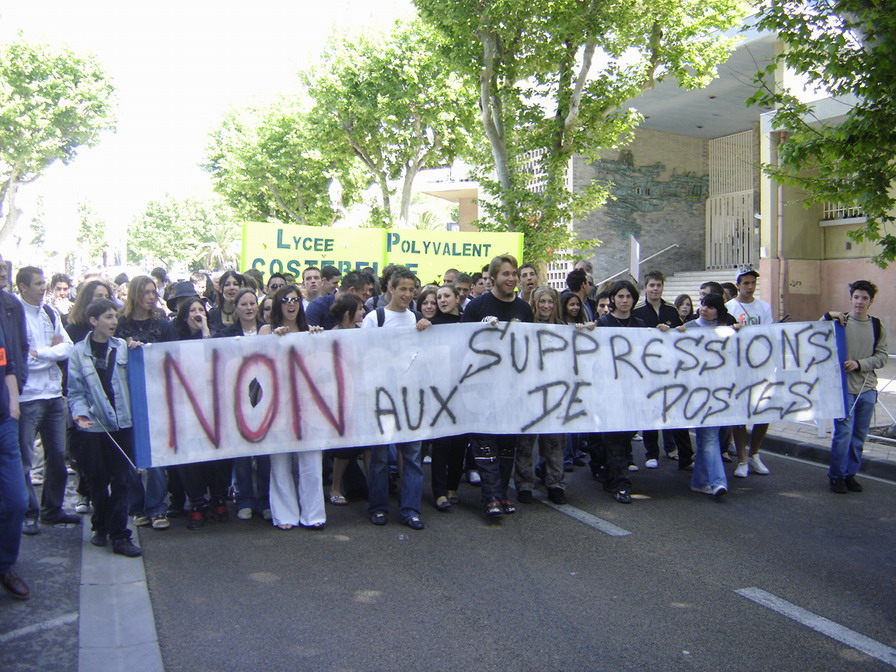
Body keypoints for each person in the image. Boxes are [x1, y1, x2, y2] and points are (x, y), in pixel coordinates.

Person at [67, 298, 143, 557]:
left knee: (122, 481)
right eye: (109, 317)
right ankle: (101, 525)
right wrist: (79, 415)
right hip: (93, 426)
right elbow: (75, 392)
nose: (114, 321)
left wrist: (138, 349)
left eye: (115, 316)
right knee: (96, 481)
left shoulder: (122, 347)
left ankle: (121, 535)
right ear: (93, 321)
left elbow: (139, 377)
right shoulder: (78, 352)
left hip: (122, 423)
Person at [462, 255, 534, 515]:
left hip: (512, 389)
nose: (512, 278)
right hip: (481, 387)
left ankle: (502, 494)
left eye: (514, 273)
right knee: (484, 443)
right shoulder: (477, 306)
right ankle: (490, 496)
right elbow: (463, 343)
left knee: (506, 446)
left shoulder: (525, 309)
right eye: (506, 273)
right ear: (492, 277)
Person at [362, 270, 429, 530]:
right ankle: (378, 507)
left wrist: (427, 330)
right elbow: (363, 356)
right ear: (390, 289)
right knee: (380, 457)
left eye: (412, 290)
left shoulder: (418, 318)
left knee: (412, 456)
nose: (407, 295)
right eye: (403, 289)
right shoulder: (374, 318)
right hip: (382, 397)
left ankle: (410, 509)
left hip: (412, 398)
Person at [15, 267, 78, 536]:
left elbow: (68, 347)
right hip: (26, 397)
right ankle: (29, 513)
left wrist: (40, 353)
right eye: (38, 284)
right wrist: (50, 352)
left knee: (57, 458)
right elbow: (19, 361)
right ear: (23, 286)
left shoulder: (50, 312)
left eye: (44, 283)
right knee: (24, 462)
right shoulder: (13, 316)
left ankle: (52, 509)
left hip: (53, 395)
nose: (43, 288)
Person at [259, 285, 326, 530]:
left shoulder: (310, 330)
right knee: (280, 462)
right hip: (276, 405)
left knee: (311, 462)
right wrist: (272, 339)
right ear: (278, 304)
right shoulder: (267, 330)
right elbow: (257, 363)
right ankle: (285, 515)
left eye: (296, 300)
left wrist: (318, 338)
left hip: (307, 406)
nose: (291, 304)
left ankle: (313, 514)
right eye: (286, 300)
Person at [116, 276, 176, 530]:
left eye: (154, 292)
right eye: (146, 292)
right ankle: (136, 505)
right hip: (129, 395)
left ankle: (157, 507)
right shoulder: (120, 324)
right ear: (135, 295)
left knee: (157, 454)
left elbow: (174, 355)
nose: (151, 296)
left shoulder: (162, 324)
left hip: (158, 395)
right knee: (131, 453)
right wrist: (124, 347)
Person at [823, 281, 888, 494]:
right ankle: (837, 476)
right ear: (850, 298)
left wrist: (860, 364)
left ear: (871, 302)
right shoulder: (840, 321)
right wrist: (826, 316)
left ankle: (851, 474)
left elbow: (882, 356)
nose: (860, 302)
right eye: (856, 297)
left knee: (859, 435)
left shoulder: (877, 325)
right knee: (843, 434)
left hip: (867, 389)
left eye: (865, 298)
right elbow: (814, 336)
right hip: (843, 389)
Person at [633, 270, 691, 470]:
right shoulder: (638, 311)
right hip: (648, 371)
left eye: (658, 285)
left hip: (670, 371)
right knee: (651, 412)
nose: (655, 289)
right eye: (652, 285)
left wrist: (677, 331)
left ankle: (685, 455)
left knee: (675, 413)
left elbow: (680, 337)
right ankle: (651, 453)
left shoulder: (671, 311)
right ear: (645, 288)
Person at [595, 280, 646, 503]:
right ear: (613, 299)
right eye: (620, 297)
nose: (625, 301)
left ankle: (609, 473)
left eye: (628, 297)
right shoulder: (603, 324)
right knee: (614, 435)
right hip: (610, 389)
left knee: (625, 435)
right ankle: (622, 484)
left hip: (633, 390)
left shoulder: (641, 324)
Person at [518, 286, 567, 505]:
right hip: (529, 392)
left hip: (555, 392)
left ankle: (555, 482)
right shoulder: (525, 328)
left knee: (554, 441)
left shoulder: (564, 329)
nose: (546, 306)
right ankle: (524, 483)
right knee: (525, 442)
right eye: (542, 302)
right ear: (535, 303)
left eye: (550, 302)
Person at [725, 266, 774, 478]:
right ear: (738, 285)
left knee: (763, 412)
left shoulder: (764, 307)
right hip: (737, 368)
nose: (750, 287)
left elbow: (770, 334)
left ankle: (755, 453)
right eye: (745, 283)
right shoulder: (729, 307)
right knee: (739, 415)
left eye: (753, 283)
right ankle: (742, 459)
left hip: (760, 367)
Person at [681, 293, 731, 497]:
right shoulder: (689, 328)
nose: (704, 309)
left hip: (718, 392)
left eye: (710, 306)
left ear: (718, 311)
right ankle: (717, 481)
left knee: (707, 437)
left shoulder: (725, 330)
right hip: (696, 391)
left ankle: (700, 481)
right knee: (710, 437)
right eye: (703, 304)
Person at [0, 278, 30, 598]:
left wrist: (13, 403)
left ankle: (5, 565)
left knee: (17, 502)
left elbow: (5, 362)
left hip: (4, 424)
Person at [306, 272, 374, 330]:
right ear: (352, 291)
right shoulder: (317, 307)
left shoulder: (366, 313)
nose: (362, 310)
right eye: (364, 295)